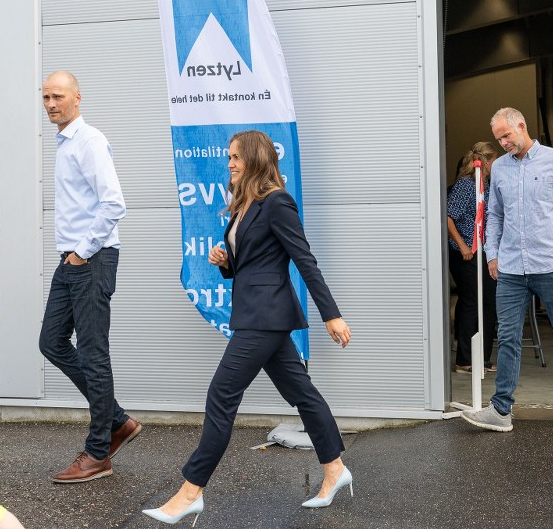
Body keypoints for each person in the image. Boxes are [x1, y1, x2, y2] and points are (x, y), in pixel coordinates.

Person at [142, 131, 354, 525]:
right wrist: (226, 262)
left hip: (265, 316)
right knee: (302, 393)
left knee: (221, 394)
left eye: (236, 157)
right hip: (258, 313)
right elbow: (254, 263)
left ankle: (190, 492)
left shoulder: (277, 202)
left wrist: (331, 314)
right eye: (229, 157)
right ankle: (334, 467)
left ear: (255, 159)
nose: (230, 164)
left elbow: (304, 260)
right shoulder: (245, 204)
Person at [461, 107, 553, 431]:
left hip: (551, 266)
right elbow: (494, 214)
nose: (504, 143)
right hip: (510, 268)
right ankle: (501, 410)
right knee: (507, 338)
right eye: (499, 139)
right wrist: (492, 256)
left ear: (521, 126)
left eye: (506, 136)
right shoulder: (500, 168)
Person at [39, 71, 141, 484]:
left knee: (93, 353)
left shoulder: (89, 141)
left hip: (91, 258)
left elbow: (114, 203)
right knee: (51, 341)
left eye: (58, 96)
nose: (51, 104)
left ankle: (99, 452)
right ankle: (117, 420)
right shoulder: (65, 143)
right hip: (72, 259)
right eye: (45, 97)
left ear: (77, 98)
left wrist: (82, 252)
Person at [447, 142, 498, 373]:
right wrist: (462, 245)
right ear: (485, 162)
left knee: (488, 302)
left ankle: (482, 358)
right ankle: (465, 359)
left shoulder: (487, 186)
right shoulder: (466, 185)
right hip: (466, 254)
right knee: (471, 301)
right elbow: (448, 217)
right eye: (494, 161)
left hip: (485, 252)